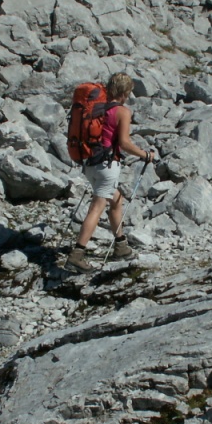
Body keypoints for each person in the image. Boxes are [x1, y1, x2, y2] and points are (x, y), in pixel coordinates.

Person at [66, 72, 156, 273]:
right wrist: (145, 155)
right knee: (97, 208)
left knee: (116, 199)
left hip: (89, 163)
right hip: (107, 166)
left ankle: (121, 245)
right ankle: (77, 255)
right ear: (125, 92)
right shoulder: (122, 111)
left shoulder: (97, 109)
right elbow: (124, 143)